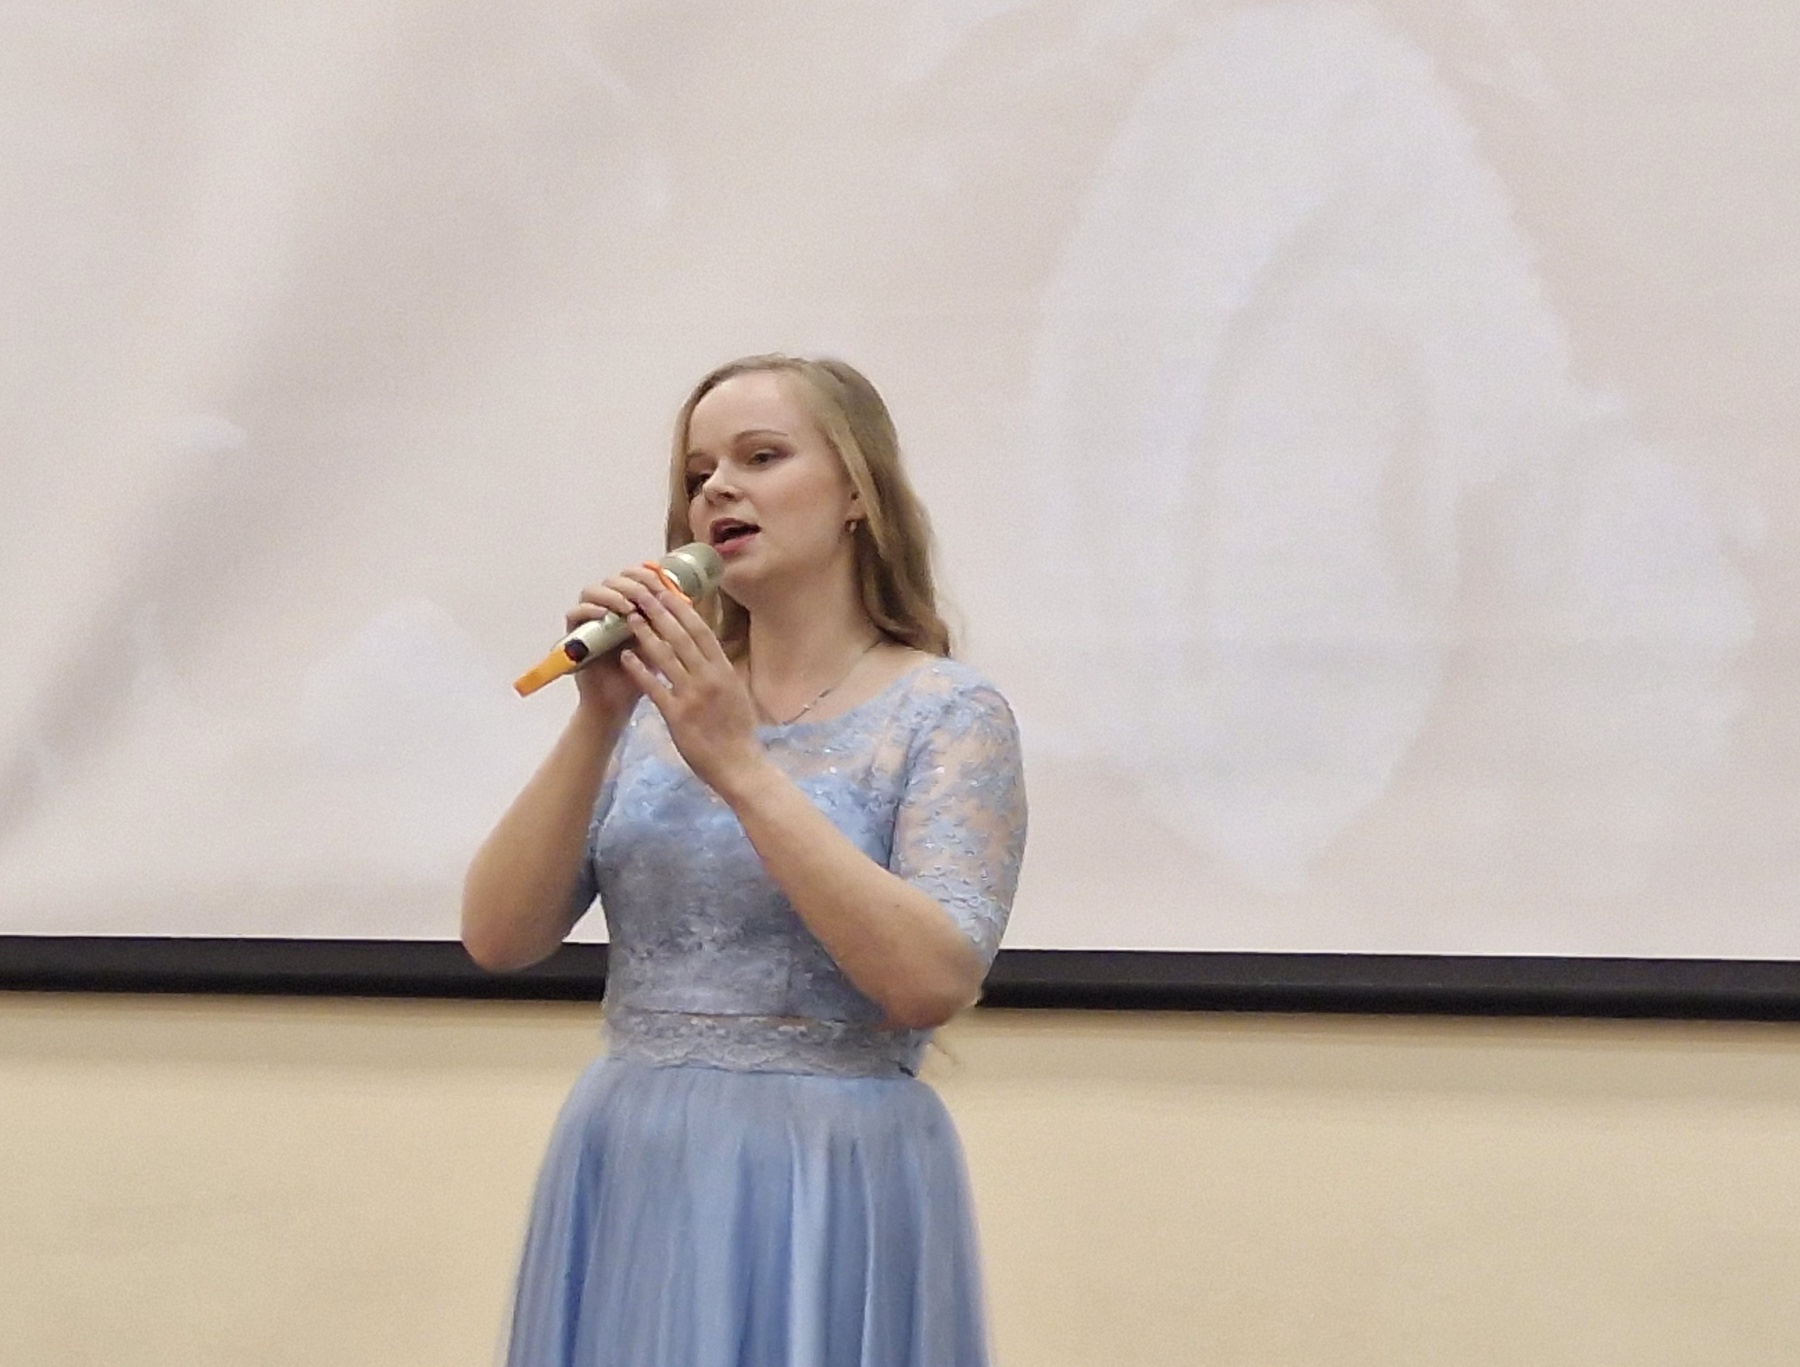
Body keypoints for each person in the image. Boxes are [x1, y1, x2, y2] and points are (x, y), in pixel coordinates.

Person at [461, 354, 1028, 1367]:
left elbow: (930, 978)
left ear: (857, 494)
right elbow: (499, 937)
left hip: (829, 1172)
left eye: (761, 457)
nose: (719, 488)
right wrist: (597, 719)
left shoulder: (947, 712)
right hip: (634, 1158)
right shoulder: (651, 712)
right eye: (699, 473)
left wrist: (740, 765)